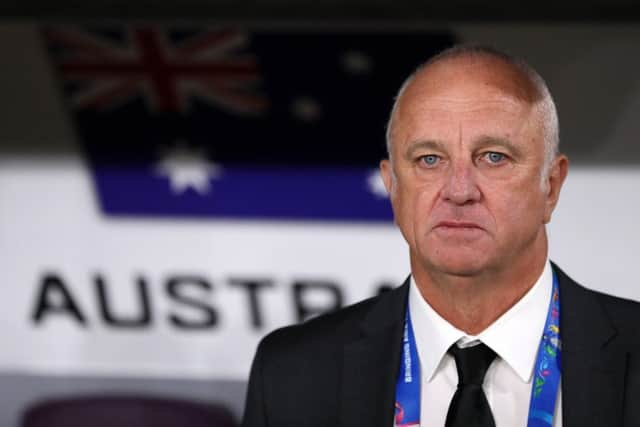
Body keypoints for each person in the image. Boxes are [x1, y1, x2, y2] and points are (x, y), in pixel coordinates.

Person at [241, 45, 640, 427]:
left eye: (493, 157)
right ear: (393, 187)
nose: (459, 190)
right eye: (429, 160)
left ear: (550, 186)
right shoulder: (292, 374)